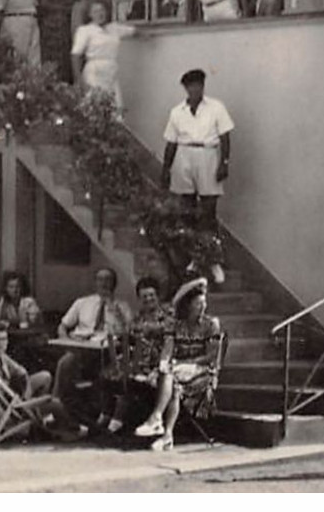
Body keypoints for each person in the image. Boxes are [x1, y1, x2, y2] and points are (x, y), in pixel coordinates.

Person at [0, 321, 83, 440]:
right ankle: (72, 429)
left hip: (14, 399)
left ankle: (36, 420)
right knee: (55, 403)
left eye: (5, 339)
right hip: (6, 407)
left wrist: (26, 393)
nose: (2, 344)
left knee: (45, 376)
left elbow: (21, 371)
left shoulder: (1, 356)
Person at [140, 277, 222, 451]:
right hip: (178, 370)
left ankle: (156, 418)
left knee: (169, 376)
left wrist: (182, 363)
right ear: (187, 306)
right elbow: (168, 349)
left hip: (202, 370)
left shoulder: (211, 324)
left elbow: (211, 356)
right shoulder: (175, 324)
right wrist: (164, 363)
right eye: (198, 304)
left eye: (204, 303)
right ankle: (167, 435)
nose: (202, 307)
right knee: (172, 383)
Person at [52, 267, 134, 424]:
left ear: (114, 284)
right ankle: (55, 405)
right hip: (81, 348)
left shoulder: (122, 306)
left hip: (107, 351)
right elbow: (62, 326)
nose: (104, 283)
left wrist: (118, 315)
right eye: (100, 279)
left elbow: (129, 332)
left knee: (109, 370)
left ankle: (100, 415)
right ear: (95, 282)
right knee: (65, 362)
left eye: (108, 279)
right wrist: (66, 342)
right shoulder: (82, 302)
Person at [161, 68, 235, 240]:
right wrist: (166, 168)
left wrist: (224, 162)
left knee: (208, 206)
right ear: (185, 89)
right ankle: (188, 249)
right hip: (184, 155)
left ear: (203, 86)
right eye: (191, 87)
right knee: (185, 206)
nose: (195, 90)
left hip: (207, 155)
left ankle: (208, 251)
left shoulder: (216, 107)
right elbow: (171, 142)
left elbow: (225, 136)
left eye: (198, 86)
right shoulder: (177, 111)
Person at [109, 276, 174, 435]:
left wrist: (157, 368)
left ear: (157, 296)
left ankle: (116, 421)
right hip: (139, 362)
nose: (148, 299)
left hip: (160, 362)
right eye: (144, 296)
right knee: (112, 369)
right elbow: (129, 338)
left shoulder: (168, 315)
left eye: (151, 295)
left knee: (127, 374)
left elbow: (170, 343)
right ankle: (110, 418)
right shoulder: (138, 318)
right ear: (139, 298)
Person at [72, 0, 137, 110]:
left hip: (111, 73)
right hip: (94, 73)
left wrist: (150, 36)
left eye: (102, 10)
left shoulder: (114, 28)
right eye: (96, 11)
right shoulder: (85, 30)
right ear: (90, 15)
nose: (100, 14)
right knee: (96, 108)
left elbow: (134, 32)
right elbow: (75, 55)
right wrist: (79, 80)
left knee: (116, 108)